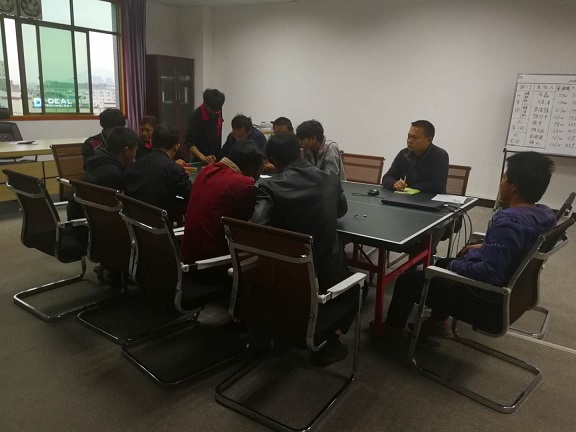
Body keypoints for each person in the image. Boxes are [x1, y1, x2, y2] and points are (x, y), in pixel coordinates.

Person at [384, 151, 556, 337]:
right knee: (442, 263)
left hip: (486, 300)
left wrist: (453, 265)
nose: (501, 182)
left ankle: (391, 331)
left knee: (408, 281)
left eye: (504, 177)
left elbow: (490, 273)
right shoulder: (545, 214)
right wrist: (484, 246)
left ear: (514, 186)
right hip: (515, 291)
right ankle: (437, 322)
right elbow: (520, 247)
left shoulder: (508, 222)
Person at [252, 133, 354, 366]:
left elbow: (257, 229)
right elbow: (341, 210)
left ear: (272, 160)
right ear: (300, 151)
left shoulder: (268, 186)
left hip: (283, 275)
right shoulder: (330, 179)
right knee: (360, 287)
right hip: (328, 274)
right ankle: (327, 341)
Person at [180, 141, 264, 264]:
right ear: (252, 168)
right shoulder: (243, 184)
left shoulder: (206, 170)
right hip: (213, 262)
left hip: (188, 255)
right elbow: (253, 224)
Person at [67, 127, 140, 220]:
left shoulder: (98, 160)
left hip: (79, 217)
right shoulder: (113, 175)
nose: (135, 155)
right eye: (135, 151)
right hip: (87, 223)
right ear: (127, 151)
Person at [124, 125, 192, 223]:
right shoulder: (174, 169)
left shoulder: (132, 166)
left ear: (151, 142)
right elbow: (192, 195)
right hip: (162, 224)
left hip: (135, 223)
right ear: (176, 147)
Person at [381, 120, 448, 194]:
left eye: (415, 138)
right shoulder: (404, 153)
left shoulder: (440, 155)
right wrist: (395, 183)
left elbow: (438, 186)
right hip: (407, 197)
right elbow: (387, 177)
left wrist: (408, 187)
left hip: (430, 198)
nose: (409, 141)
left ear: (429, 140)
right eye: (408, 136)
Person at [184, 88, 225, 165]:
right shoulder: (196, 117)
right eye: (213, 110)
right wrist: (204, 158)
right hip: (200, 160)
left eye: (218, 110)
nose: (216, 113)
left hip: (215, 158)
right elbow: (189, 144)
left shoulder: (217, 110)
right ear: (206, 104)